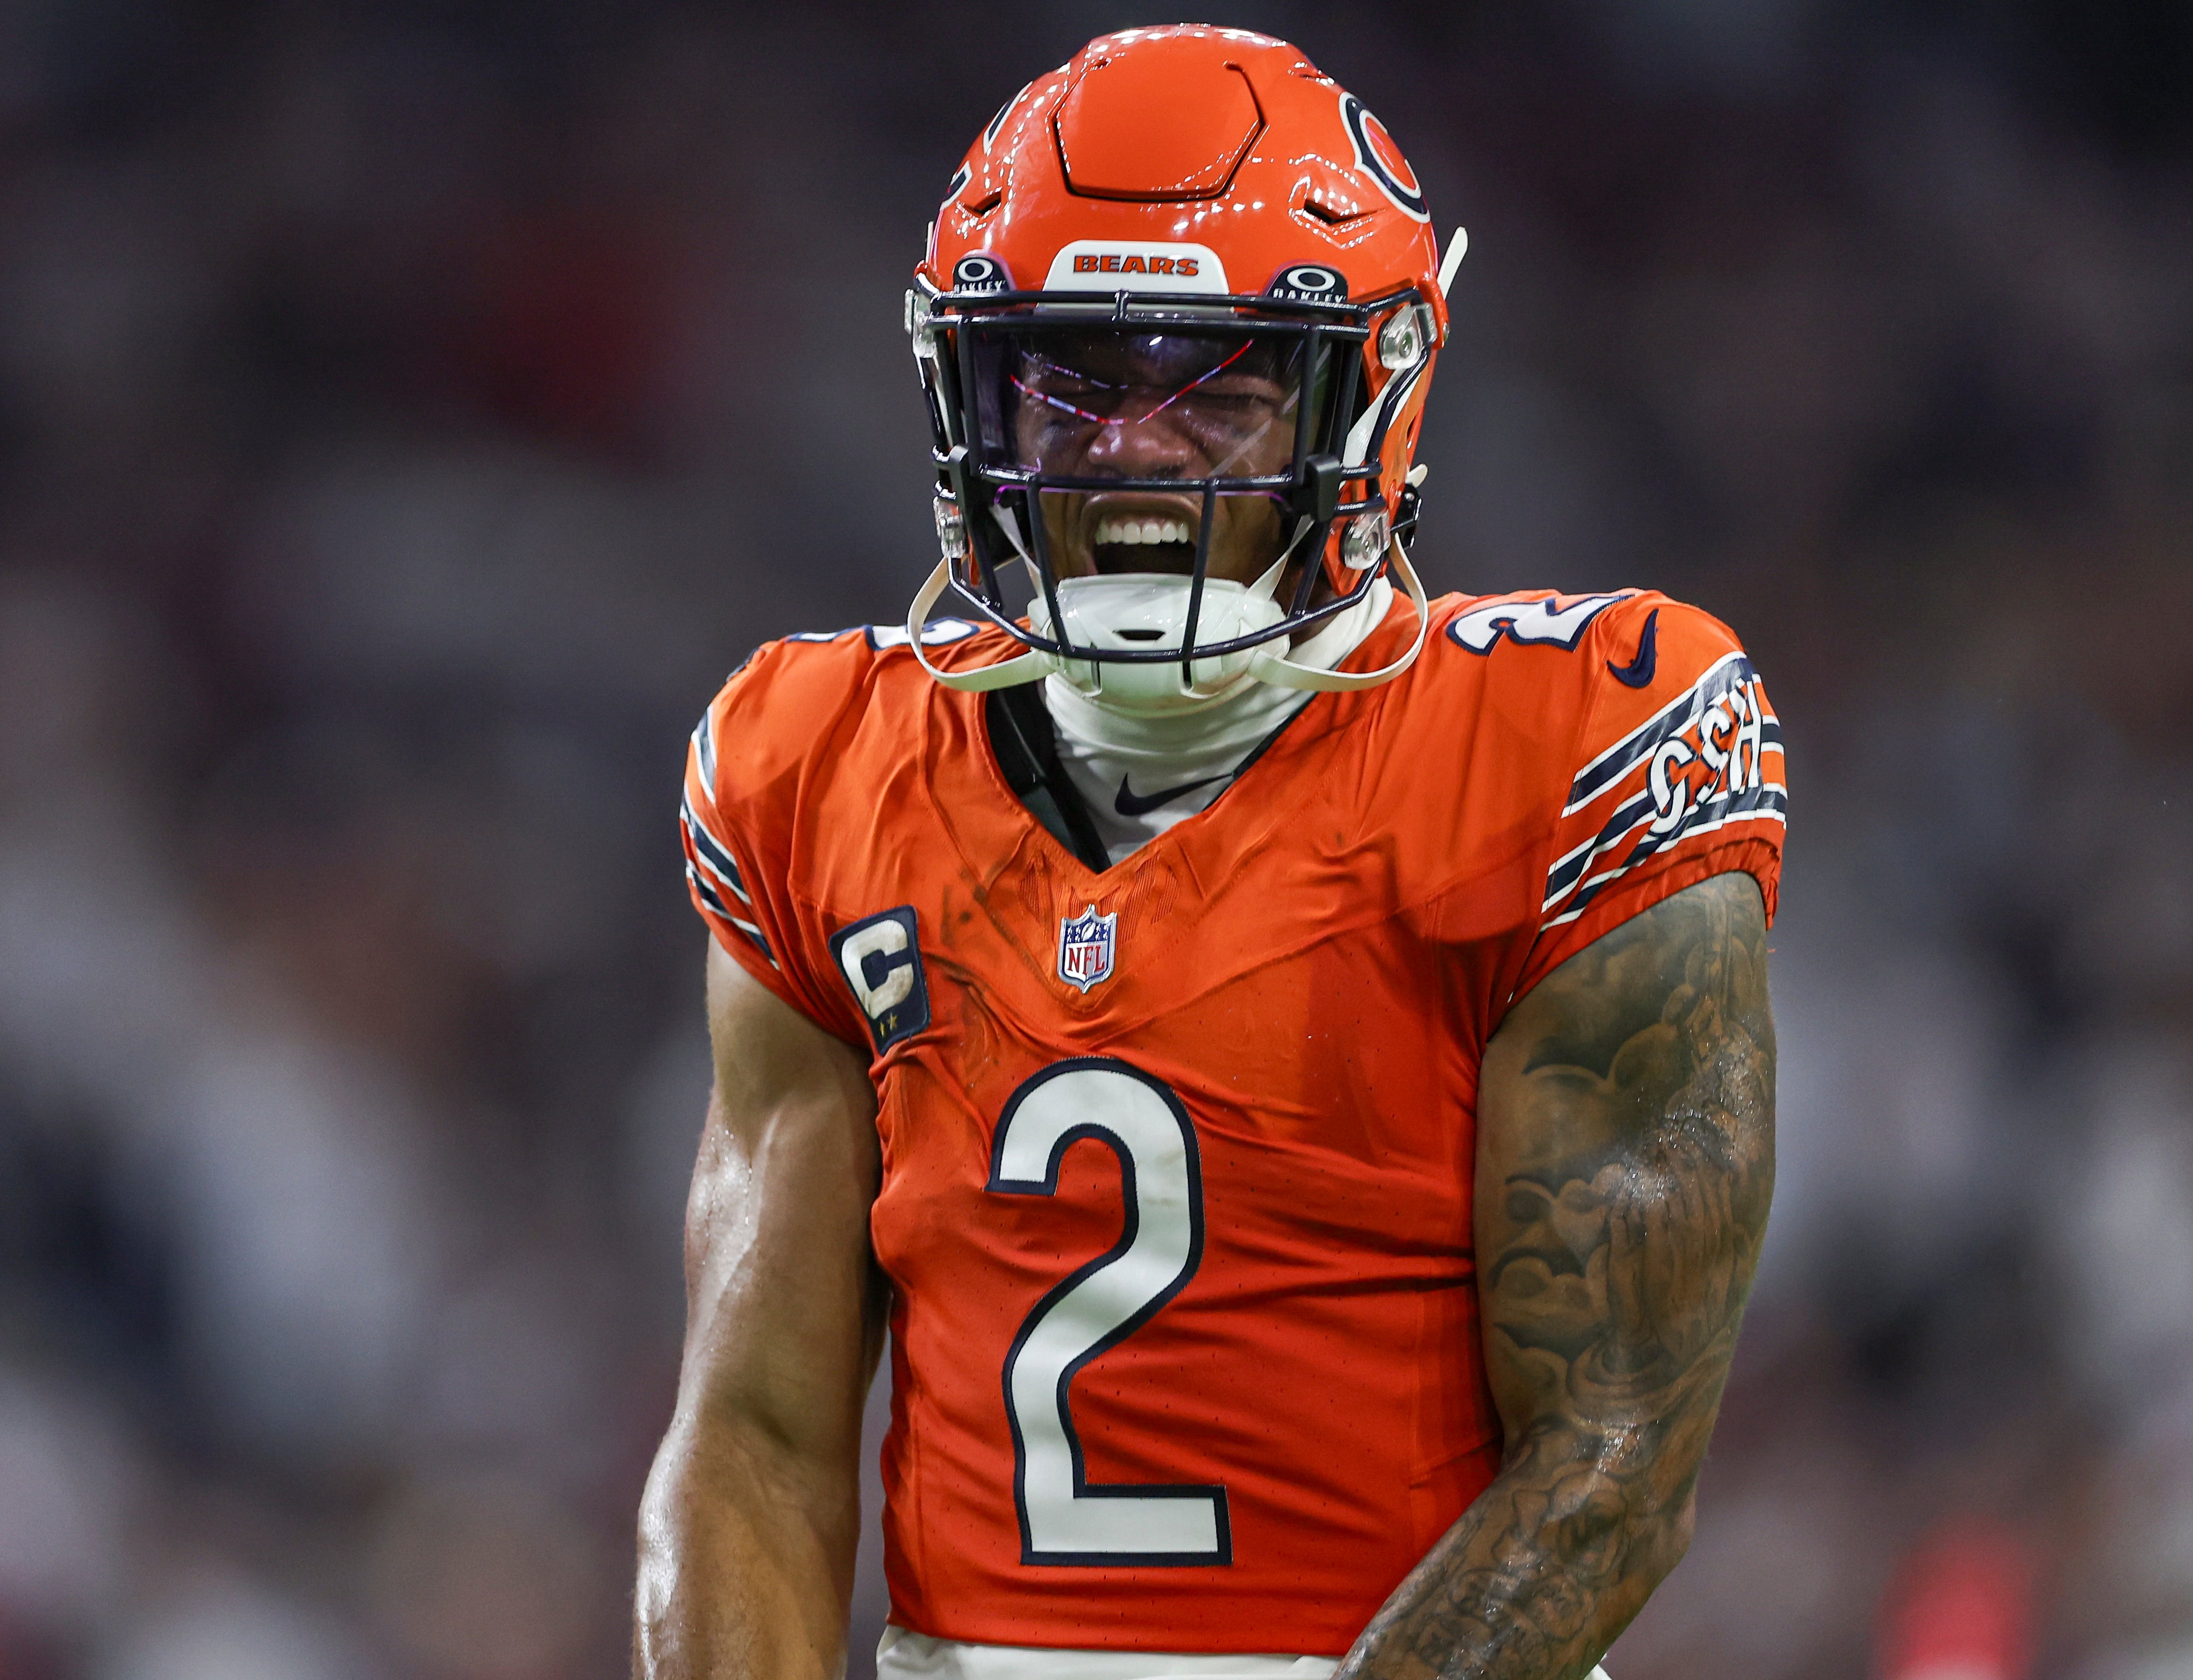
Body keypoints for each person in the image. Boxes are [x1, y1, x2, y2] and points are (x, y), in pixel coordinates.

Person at [635, 25, 1781, 1680]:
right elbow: (751, 1440)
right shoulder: (816, 764)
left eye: (1224, 390)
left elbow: (1611, 1466)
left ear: (1372, 397)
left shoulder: (1567, 746)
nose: (1134, 454)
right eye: (1068, 384)